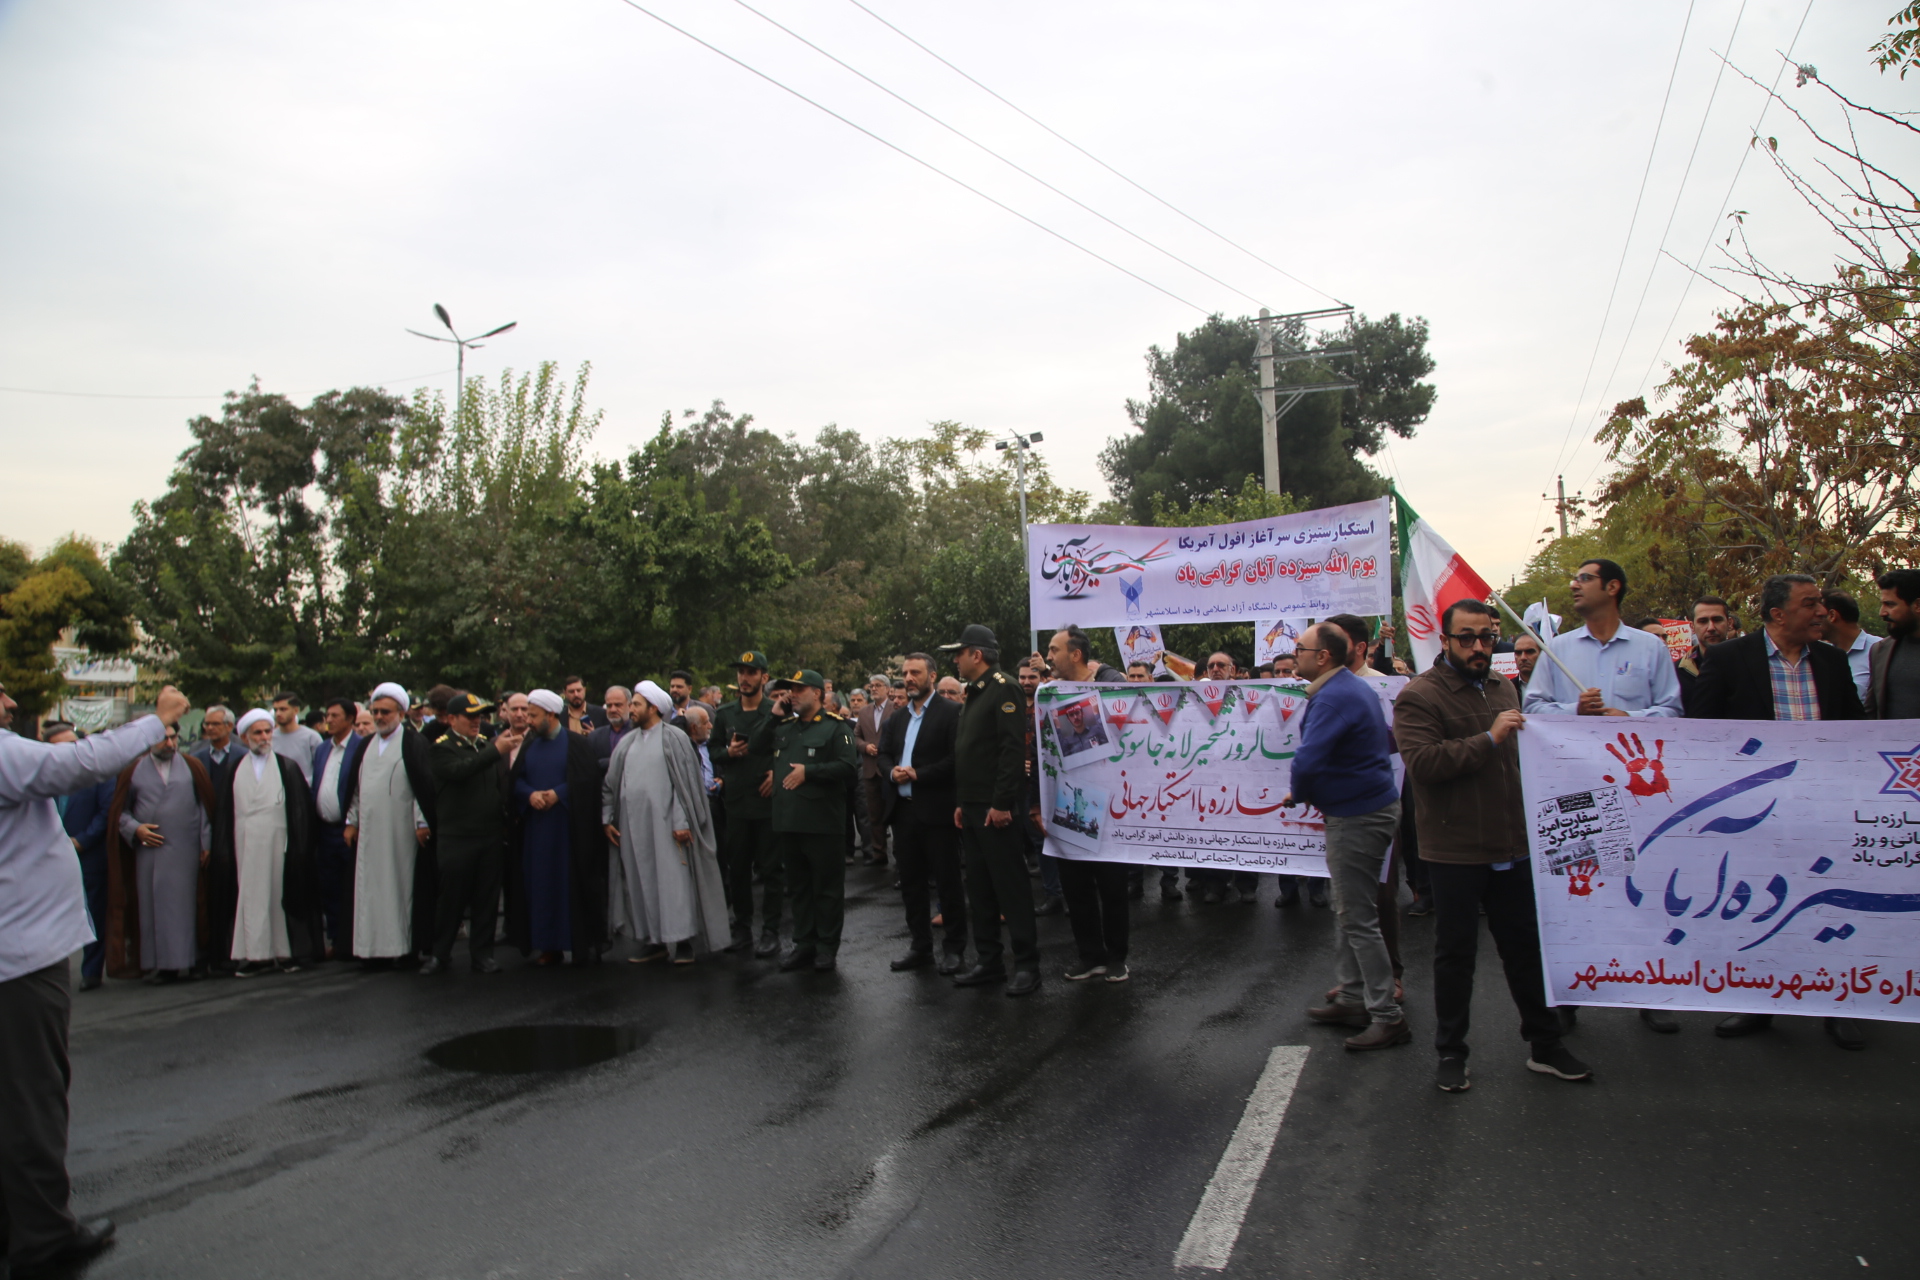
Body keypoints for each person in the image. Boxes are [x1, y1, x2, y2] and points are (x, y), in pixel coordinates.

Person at [1, 681, 188, 1278]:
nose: (8, 704)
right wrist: (154, 720)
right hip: (20, 962)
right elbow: (74, 763)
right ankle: (44, 1237)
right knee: (32, 1100)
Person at [1395, 600, 1592, 1092]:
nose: (1479, 646)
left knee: (1525, 950)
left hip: (1513, 845)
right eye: (1467, 637)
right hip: (1455, 850)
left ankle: (1544, 1045)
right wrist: (1489, 736)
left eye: (1485, 636)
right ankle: (1451, 1052)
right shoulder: (1419, 695)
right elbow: (1423, 765)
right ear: (1445, 641)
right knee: (1456, 956)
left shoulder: (1504, 686)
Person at [1690, 573, 1867, 1048]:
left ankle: (1838, 1004)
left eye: (1822, 604)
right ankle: (1760, 1003)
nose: (1822, 612)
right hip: (1756, 814)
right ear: (1777, 615)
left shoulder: (1831, 660)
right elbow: (1701, 734)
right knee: (1761, 907)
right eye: (1810, 604)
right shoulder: (1729, 659)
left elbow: (1856, 730)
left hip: (1823, 810)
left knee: (1831, 902)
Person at [1285, 624, 1407, 1048]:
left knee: (1358, 917)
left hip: (1358, 816)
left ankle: (1387, 1016)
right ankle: (1353, 996)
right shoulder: (1346, 688)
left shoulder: (1333, 697)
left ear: (1322, 657)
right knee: (1350, 909)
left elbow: (1308, 758)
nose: (1294, 653)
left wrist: (1297, 792)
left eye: (1300, 648)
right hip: (1364, 809)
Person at [942, 625, 1041, 996]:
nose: (956, 659)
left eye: (960, 652)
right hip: (971, 807)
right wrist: (961, 802)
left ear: (977, 655)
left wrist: (1001, 804)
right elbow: (969, 753)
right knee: (980, 888)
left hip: (994, 808)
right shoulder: (975, 692)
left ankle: (1028, 965)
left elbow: (1011, 751)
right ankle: (989, 961)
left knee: (1010, 887)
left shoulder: (1004, 687)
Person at [605, 680, 730, 965]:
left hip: (669, 829)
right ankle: (654, 941)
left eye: (636, 704)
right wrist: (608, 818)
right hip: (634, 829)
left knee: (675, 885)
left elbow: (685, 786)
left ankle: (683, 941)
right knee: (641, 884)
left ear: (653, 708)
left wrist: (681, 820)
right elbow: (610, 785)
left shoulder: (674, 737)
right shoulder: (627, 742)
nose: (631, 709)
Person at [747, 670, 857, 972]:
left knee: (826, 888)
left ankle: (826, 947)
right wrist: (772, 715)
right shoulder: (785, 727)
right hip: (788, 821)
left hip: (822, 823)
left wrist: (810, 772)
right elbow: (755, 747)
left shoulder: (836, 728)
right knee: (799, 888)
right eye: (789, 690)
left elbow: (848, 767)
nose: (792, 695)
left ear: (818, 694)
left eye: (799, 689)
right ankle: (804, 943)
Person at [215, 709, 320, 976]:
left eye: (267, 731)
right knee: (250, 898)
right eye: (257, 733)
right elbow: (225, 813)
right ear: (245, 736)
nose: (263, 737)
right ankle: (253, 955)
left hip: (280, 845)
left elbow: (299, 811)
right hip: (245, 846)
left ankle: (284, 952)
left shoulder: (287, 767)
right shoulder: (234, 769)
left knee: (278, 895)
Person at [106, 723, 213, 982]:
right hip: (150, 854)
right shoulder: (133, 770)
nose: (169, 743)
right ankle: (162, 965)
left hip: (187, 852)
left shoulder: (192, 766)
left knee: (189, 908)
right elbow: (120, 813)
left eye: (173, 737)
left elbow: (205, 808)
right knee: (154, 910)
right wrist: (136, 829)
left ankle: (194, 961)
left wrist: (206, 844)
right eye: (162, 738)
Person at [882, 653, 967, 974]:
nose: (909, 678)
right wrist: (892, 774)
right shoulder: (899, 717)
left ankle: (955, 948)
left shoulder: (952, 713)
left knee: (947, 882)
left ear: (932, 676)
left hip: (938, 812)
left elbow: (955, 760)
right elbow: (886, 755)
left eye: (915, 672)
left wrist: (919, 774)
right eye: (906, 673)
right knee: (911, 885)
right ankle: (920, 946)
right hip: (903, 814)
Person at [342, 683, 437, 967]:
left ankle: (403, 948)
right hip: (370, 834)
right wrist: (351, 822)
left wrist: (422, 822)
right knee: (369, 889)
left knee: (402, 886)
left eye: (386, 711)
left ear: (401, 712)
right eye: (376, 711)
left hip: (402, 833)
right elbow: (356, 790)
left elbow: (424, 786)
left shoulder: (414, 743)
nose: (380, 716)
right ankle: (371, 950)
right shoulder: (365, 746)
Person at [508, 689, 606, 966]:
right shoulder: (529, 745)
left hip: (569, 832)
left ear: (550, 715)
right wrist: (530, 794)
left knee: (570, 886)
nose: (527, 720)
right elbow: (517, 780)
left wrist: (558, 794)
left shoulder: (575, 744)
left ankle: (579, 943)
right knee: (541, 887)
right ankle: (548, 945)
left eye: (533, 715)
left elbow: (587, 781)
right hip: (537, 831)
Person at [423, 693, 517, 976]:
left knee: (486, 899)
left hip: (488, 835)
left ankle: (482, 955)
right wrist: (494, 751)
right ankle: (440, 954)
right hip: (458, 837)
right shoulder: (442, 748)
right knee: (451, 899)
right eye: (470, 716)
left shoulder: (483, 746)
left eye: (480, 716)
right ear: (452, 719)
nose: (477, 722)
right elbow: (459, 771)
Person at [1523, 558, 1683, 719]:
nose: (1574, 586)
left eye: (1585, 578)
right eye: (1575, 580)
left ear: (1612, 587)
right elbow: (1532, 708)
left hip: (1632, 743)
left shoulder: (1652, 647)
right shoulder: (1556, 649)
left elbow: (1671, 710)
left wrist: (1630, 718)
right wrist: (1575, 711)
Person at [712, 651, 783, 957]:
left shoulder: (776, 711)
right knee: (738, 867)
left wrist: (777, 773)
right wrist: (728, 753)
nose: (744, 678)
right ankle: (742, 927)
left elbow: (789, 748)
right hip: (737, 802)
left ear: (764, 678)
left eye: (752, 672)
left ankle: (770, 931)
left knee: (770, 869)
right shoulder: (725, 713)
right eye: (741, 672)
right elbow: (712, 750)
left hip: (766, 801)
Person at [48, 725, 114, 993]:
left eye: (73, 743)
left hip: (88, 855)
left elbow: (105, 812)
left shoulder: (96, 773)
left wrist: (81, 841)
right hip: (52, 858)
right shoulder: (43, 778)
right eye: (61, 746)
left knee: (93, 913)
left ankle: (91, 971)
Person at [309, 698, 361, 960]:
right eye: (327, 715)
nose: (328, 720)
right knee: (329, 886)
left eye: (335, 716)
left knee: (350, 885)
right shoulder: (321, 749)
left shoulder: (360, 747)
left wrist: (353, 822)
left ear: (351, 719)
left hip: (349, 829)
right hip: (324, 830)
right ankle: (336, 938)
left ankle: (354, 941)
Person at [1867, 568, 1920, 719]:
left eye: (1890, 604)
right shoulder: (1880, 651)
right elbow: (1871, 711)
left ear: (1917, 605)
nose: (1882, 612)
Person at [852, 677, 892, 867]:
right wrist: (865, 747)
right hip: (869, 769)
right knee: (873, 814)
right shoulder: (865, 711)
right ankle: (878, 853)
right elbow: (856, 736)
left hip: (889, 769)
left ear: (888, 688)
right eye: (872, 686)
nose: (874, 689)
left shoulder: (896, 708)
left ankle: (900, 858)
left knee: (894, 814)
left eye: (878, 686)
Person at [1676, 596, 1737, 712]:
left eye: (1717, 620)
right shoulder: (1676, 672)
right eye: (1703, 621)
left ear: (1729, 623)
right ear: (1692, 626)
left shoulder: (1747, 665)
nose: (1711, 628)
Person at [1821, 591, 1878, 704]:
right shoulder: (1820, 655)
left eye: (1818, 616)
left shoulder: (1880, 650)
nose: (1813, 621)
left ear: (1832, 616)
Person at [270, 691, 322, 783]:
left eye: (283, 709)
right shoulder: (269, 737)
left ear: (296, 710)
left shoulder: (311, 737)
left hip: (304, 792)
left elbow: (321, 769)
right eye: (275, 710)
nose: (278, 713)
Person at [187, 705, 238, 791]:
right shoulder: (196, 755)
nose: (210, 728)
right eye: (207, 724)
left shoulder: (242, 755)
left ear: (229, 726)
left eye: (215, 724)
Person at [587, 686, 632, 775]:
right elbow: (589, 767)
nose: (613, 709)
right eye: (609, 705)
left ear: (630, 706)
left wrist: (604, 762)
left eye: (618, 705)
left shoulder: (640, 732)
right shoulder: (595, 736)